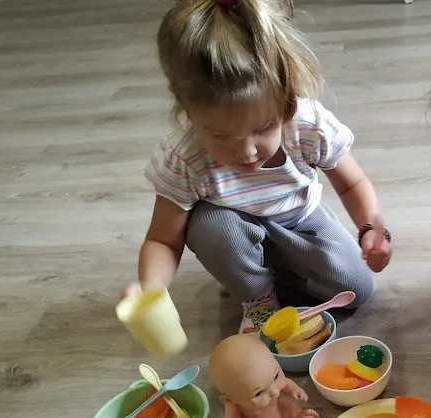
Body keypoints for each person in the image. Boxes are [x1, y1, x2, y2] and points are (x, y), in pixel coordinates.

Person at [125, 0, 391, 333]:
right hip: (231, 229)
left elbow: (352, 183)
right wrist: (151, 288)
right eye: (221, 135)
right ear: (186, 105)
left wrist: (370, 229)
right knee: (213, 224)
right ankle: (257, 297)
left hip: (299, 219)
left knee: (357, 289)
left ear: (286, 94)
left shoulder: (308, 126)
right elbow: (163, 241)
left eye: (264, 127)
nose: (247, 152)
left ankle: (266, 271)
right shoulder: (183, 157)